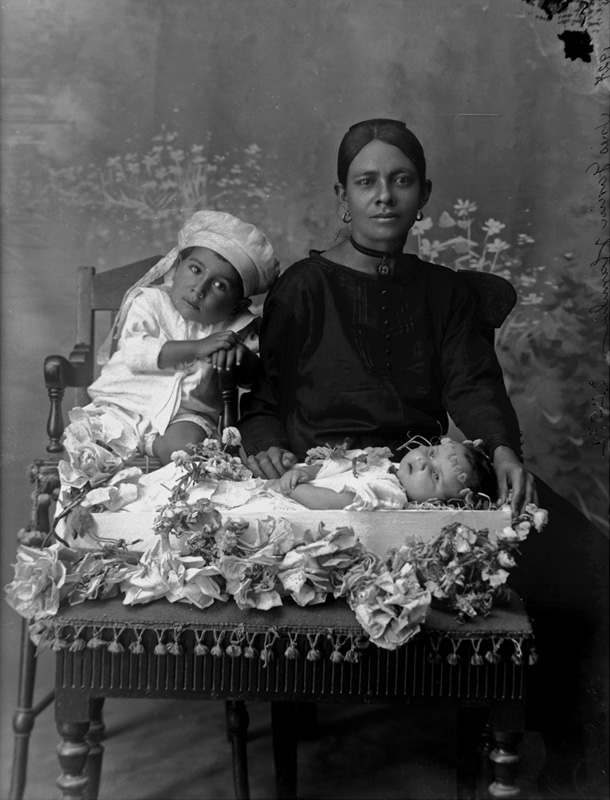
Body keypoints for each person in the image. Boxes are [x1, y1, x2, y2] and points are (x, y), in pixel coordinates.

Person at [238, 119, 608, 797]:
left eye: (401, 181)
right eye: (368, 182)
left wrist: (499, 448)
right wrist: (266, 449)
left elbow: (471, 381)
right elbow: (262, 395)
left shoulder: (441, 292)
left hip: (428, 475)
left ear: (424, 194)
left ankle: (573, 749)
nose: (385, 197)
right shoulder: (304, 288)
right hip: (333, 485)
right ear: (343, 197)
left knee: (585, 561)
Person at [75, 210, 279, 465]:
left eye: (220, 286)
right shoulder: (149, 301)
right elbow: (135, 352)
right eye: (195, 269)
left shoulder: (236, 325)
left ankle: (158, 448)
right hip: (123, 405)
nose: (200, 288)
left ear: (238, 305)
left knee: (189, 450)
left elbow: (255, 378)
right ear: (176, 267)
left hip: (184, 416)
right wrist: (198, 347)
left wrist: (241, 358)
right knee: (88, 446)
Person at [269, 437, 497, 510]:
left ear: (437, 503)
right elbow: (334, 466)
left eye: (436, 476)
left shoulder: (390, 494)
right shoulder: (384, 462)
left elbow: (336, 502)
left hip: (298, 505)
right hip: (293, 487)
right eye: (430, 453)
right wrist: (307, 472)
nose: (423, 464)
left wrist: (296, 489)